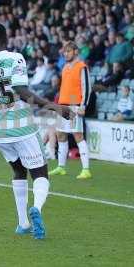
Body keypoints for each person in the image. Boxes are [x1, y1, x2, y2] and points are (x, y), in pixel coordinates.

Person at [0, 23, 73, 240]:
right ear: (6, 38)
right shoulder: (15, 58)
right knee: (40, 173)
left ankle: (23, 223)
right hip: (22, 127)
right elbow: (21, 90)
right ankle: (36, 208)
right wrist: (55, 107)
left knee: (18, 171)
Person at [49, 41, 92, 179]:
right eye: (65, 52)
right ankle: (61, 167)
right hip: (63, 105)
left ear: (76, 52)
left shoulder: (82, 67)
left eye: (68, 51)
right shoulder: (65, 67)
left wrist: (82, 106)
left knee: (78, 136)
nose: (66, 54)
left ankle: (86, 169)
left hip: (74, 104)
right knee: (60, 135)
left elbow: (87, 88)